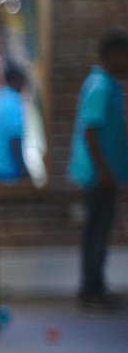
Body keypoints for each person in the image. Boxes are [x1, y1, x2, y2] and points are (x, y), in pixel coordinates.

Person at [67, 27, 128, 313]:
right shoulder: (100, 85)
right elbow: (90, 130)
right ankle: (91, 292)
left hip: (106, 174)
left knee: (100, 233)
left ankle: (96, 288)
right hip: (98, 175)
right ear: (115, 54)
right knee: (97, 233)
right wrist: (104, 171)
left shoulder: (110, 84)